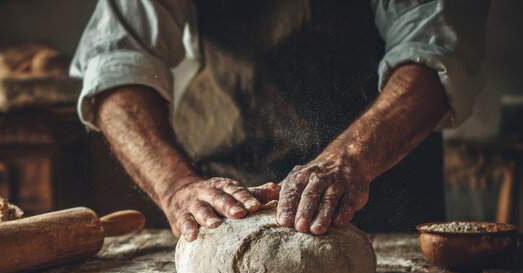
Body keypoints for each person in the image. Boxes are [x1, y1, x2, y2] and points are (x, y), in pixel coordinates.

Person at [70, 0, 489, 241]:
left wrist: (352, 158)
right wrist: (176, 186)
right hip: (225, 204)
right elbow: (115, 63)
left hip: (380, 191)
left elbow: (434, 50)